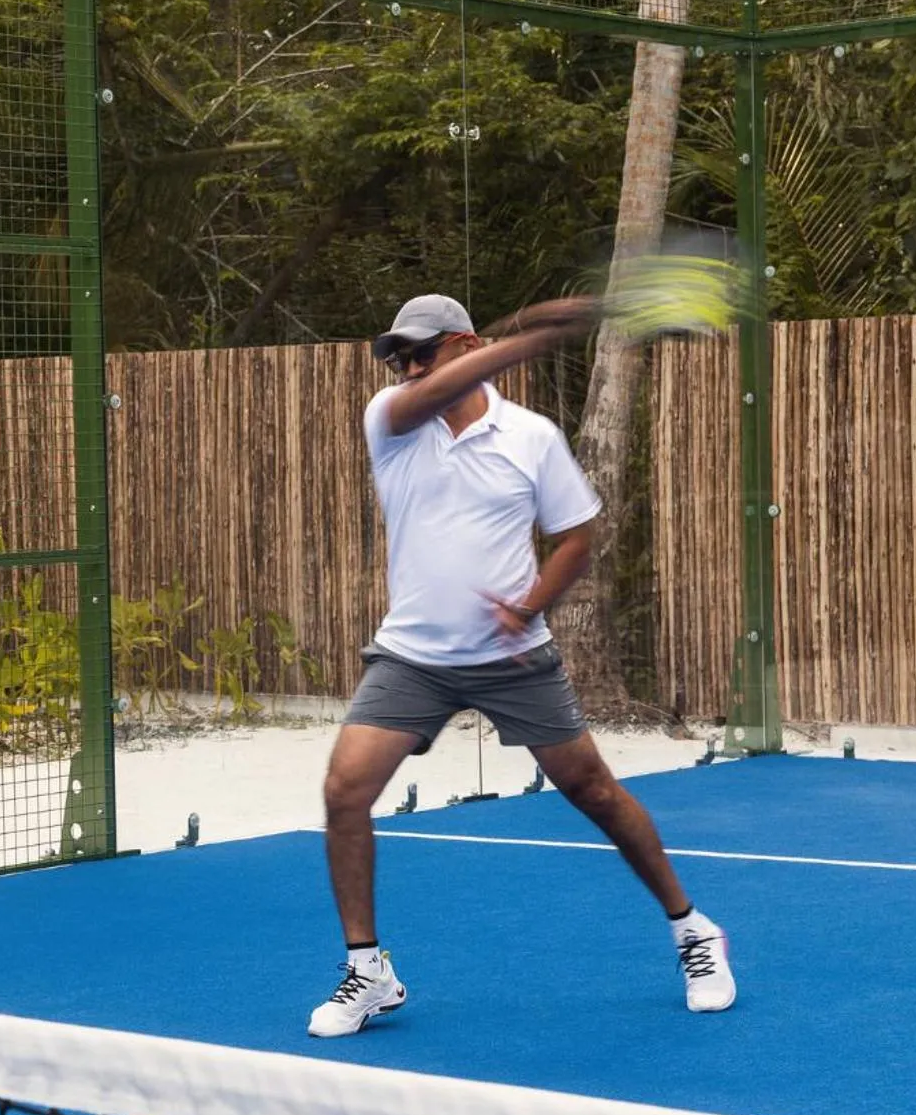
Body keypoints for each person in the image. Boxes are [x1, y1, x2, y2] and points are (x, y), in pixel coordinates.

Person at [306, 292, 737, 1038]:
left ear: (462, 342)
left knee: (594, 791)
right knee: (345, 790)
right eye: (398, 356)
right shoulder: (392, 419)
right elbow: (435, 389)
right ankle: (368, 970)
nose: (405, 366)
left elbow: (577, 536)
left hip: (512, 656)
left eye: (420, 351)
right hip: (413, 655)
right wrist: (539, 338)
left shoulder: (531, 437)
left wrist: (531, 603)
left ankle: (694, 929)